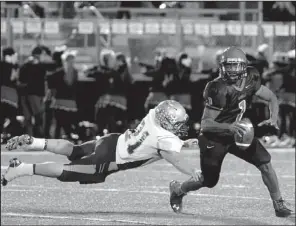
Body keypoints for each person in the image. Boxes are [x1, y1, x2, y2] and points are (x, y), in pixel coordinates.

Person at [168, 46, 294, 218]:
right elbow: (205, 124)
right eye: (229, 66)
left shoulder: (251, 77)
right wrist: (228, 127)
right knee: (209, 180)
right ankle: (178, 189)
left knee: (265, 163)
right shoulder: (217, 87)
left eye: (236, 66)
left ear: (244, 67)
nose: (232, 70)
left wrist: (273, 117)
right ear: (222, 66)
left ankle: (279, 204)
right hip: (214, 136)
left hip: (238, 132)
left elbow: (271, 97)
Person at [2, 100, 199, 191]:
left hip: (112, 141)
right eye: (177, 124)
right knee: (67, 171)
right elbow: (173, 157)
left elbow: (155, 142)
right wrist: (193, 172)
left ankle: (35, 142)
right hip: (108, 160)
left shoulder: (153, 115)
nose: (180, 128)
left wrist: (182, 143)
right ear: (166, 122)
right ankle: (21, 169)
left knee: (75, 149)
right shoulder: (165, 138)